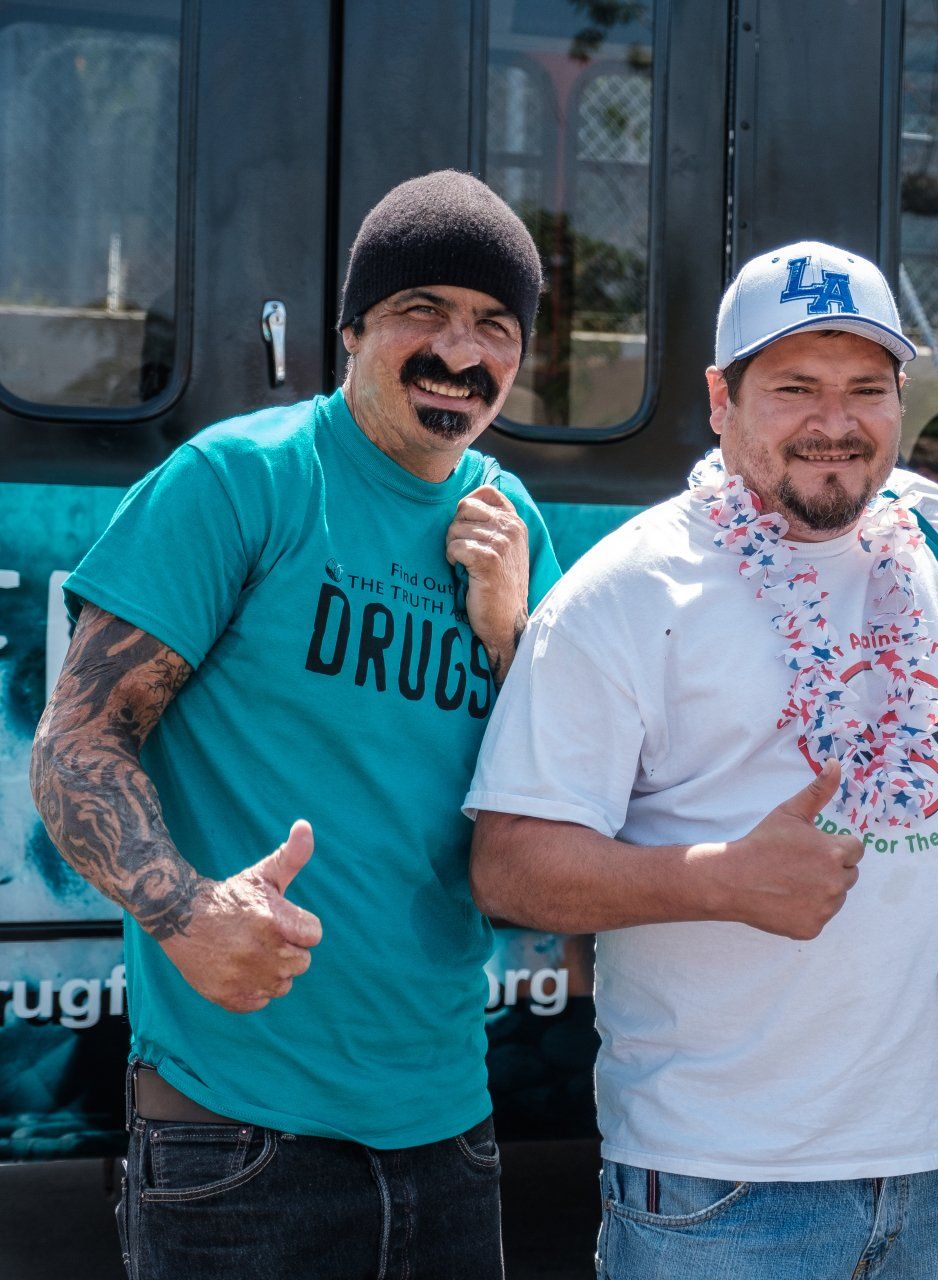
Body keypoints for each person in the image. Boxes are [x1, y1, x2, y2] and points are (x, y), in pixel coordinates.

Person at [464, 240, 938, 1279]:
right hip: (720, 1186)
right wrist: (715, 880)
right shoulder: (625, 592)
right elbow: (510, 864)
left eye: (865, 389)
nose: (834, 423)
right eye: (794, 386)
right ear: (721, 398)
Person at [29, 171, 561, 1278]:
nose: (459, 351)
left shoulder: (514, 528)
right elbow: (76, 741)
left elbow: (556, 795)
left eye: (494, 326)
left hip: (451, 1133)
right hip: (236, 1145)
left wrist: (511, 630)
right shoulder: (239, 481)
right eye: (424, 310)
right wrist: (185, 910)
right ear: (354, 326)